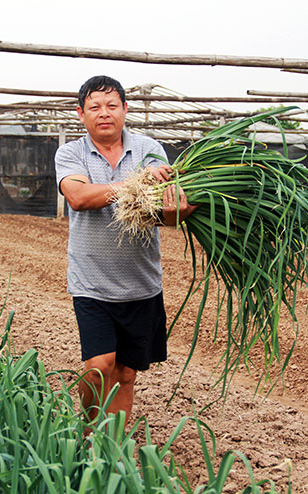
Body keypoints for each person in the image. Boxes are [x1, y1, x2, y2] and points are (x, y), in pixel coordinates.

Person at [54, 75, 196, 428]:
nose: (104, 113)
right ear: (81, 114)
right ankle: (87, 430)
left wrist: (181, 207)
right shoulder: (71, 153)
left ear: (125, 110)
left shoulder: (150, 151)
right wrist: (137, 185)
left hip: (141, 284)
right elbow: (79, 197)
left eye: (112, 105)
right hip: (92, 283)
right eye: (95, 107)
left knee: (126, 373)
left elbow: (165, 217)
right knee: (99, 366)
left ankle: (112, 448)